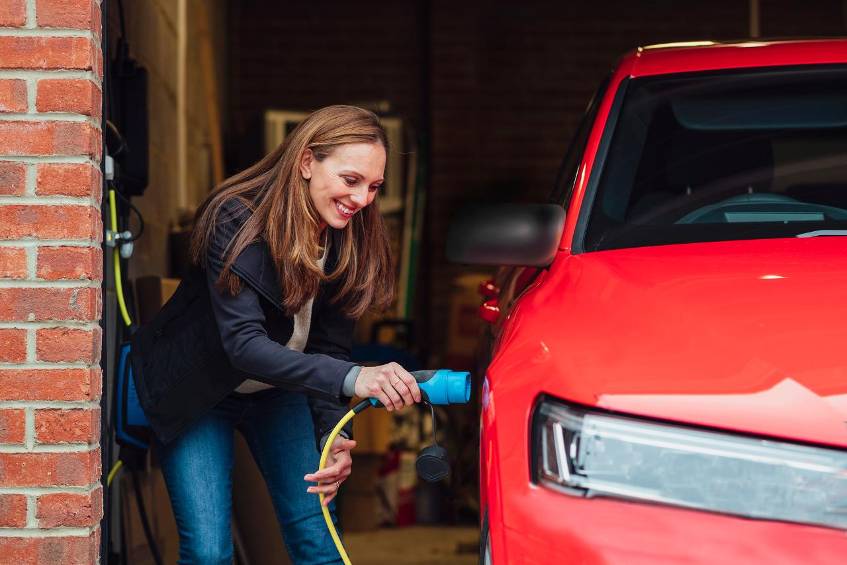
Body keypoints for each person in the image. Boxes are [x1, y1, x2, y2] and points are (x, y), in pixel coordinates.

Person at [130, 105, 421, 564]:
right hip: (200, 391)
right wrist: (354, 379)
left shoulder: (349, 236)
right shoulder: (236, 219)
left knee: (317, 541)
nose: (363, 199)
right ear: (307, 162)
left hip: (278, 393)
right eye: (351, 180)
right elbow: (244, 346)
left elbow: (329, 347)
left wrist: (332, 434)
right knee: (208, 552)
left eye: (374, 187)